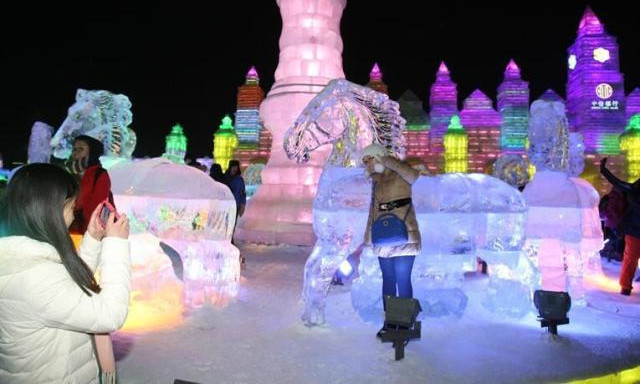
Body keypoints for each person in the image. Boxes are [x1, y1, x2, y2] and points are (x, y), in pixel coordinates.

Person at [0, 163, 131, 384]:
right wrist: (116, 244)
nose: (73, 216)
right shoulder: (34, 276)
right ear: (50, 210)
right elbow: (109, 315)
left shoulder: (22, 257)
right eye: (72, 208)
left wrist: (93, 237)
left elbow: (69, 288)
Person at [361, 144, 421, 337]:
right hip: (384, 237)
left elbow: (413, 176)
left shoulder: (399, 172)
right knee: (388, 280)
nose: (367, 164)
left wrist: (389, 161)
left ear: (378, 157)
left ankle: (403, 325)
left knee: (402, 280)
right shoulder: (375, 181)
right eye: (365, 161)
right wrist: (369, 238)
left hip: (404, 234)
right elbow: (373, 212)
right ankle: (390, 322)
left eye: (369, 159)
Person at [600, 157, 640, 295]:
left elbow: (618, 183)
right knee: (630, 258)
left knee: (630, 258)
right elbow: (618, 183)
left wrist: (604, 170)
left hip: (634, 229)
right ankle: (625, 287)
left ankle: (625, 287)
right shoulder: (634, 188)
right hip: (634, 229)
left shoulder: (634, 188)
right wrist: (604, 170)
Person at [68, 135, 113, 234]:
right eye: (74, 149)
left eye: (81, 149)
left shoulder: (99, 174)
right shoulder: (68, 172)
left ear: (92, 152)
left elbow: (97, 206)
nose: (75, 153)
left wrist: (89, 233)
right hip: (67, 229)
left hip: (87, 231)